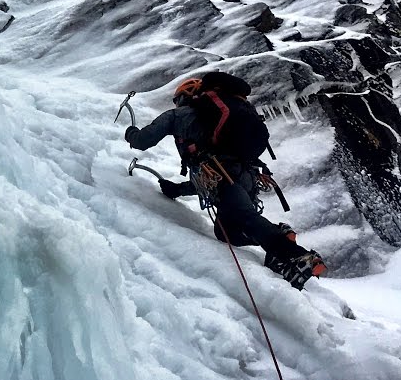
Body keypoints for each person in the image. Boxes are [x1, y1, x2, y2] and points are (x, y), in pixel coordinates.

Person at [124, 73, 328, 289]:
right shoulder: (216, 120)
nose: (177, 103)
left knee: (245, 218)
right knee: (226, 233)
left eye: (178, 99)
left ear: (185, 97)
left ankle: (299, 257)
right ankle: (280, 240)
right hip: (243, 175)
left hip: (222, 175)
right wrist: (177, 190)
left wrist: (131, 134)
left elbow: (142, 141)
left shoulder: (178, 116)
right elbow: (203, 182)